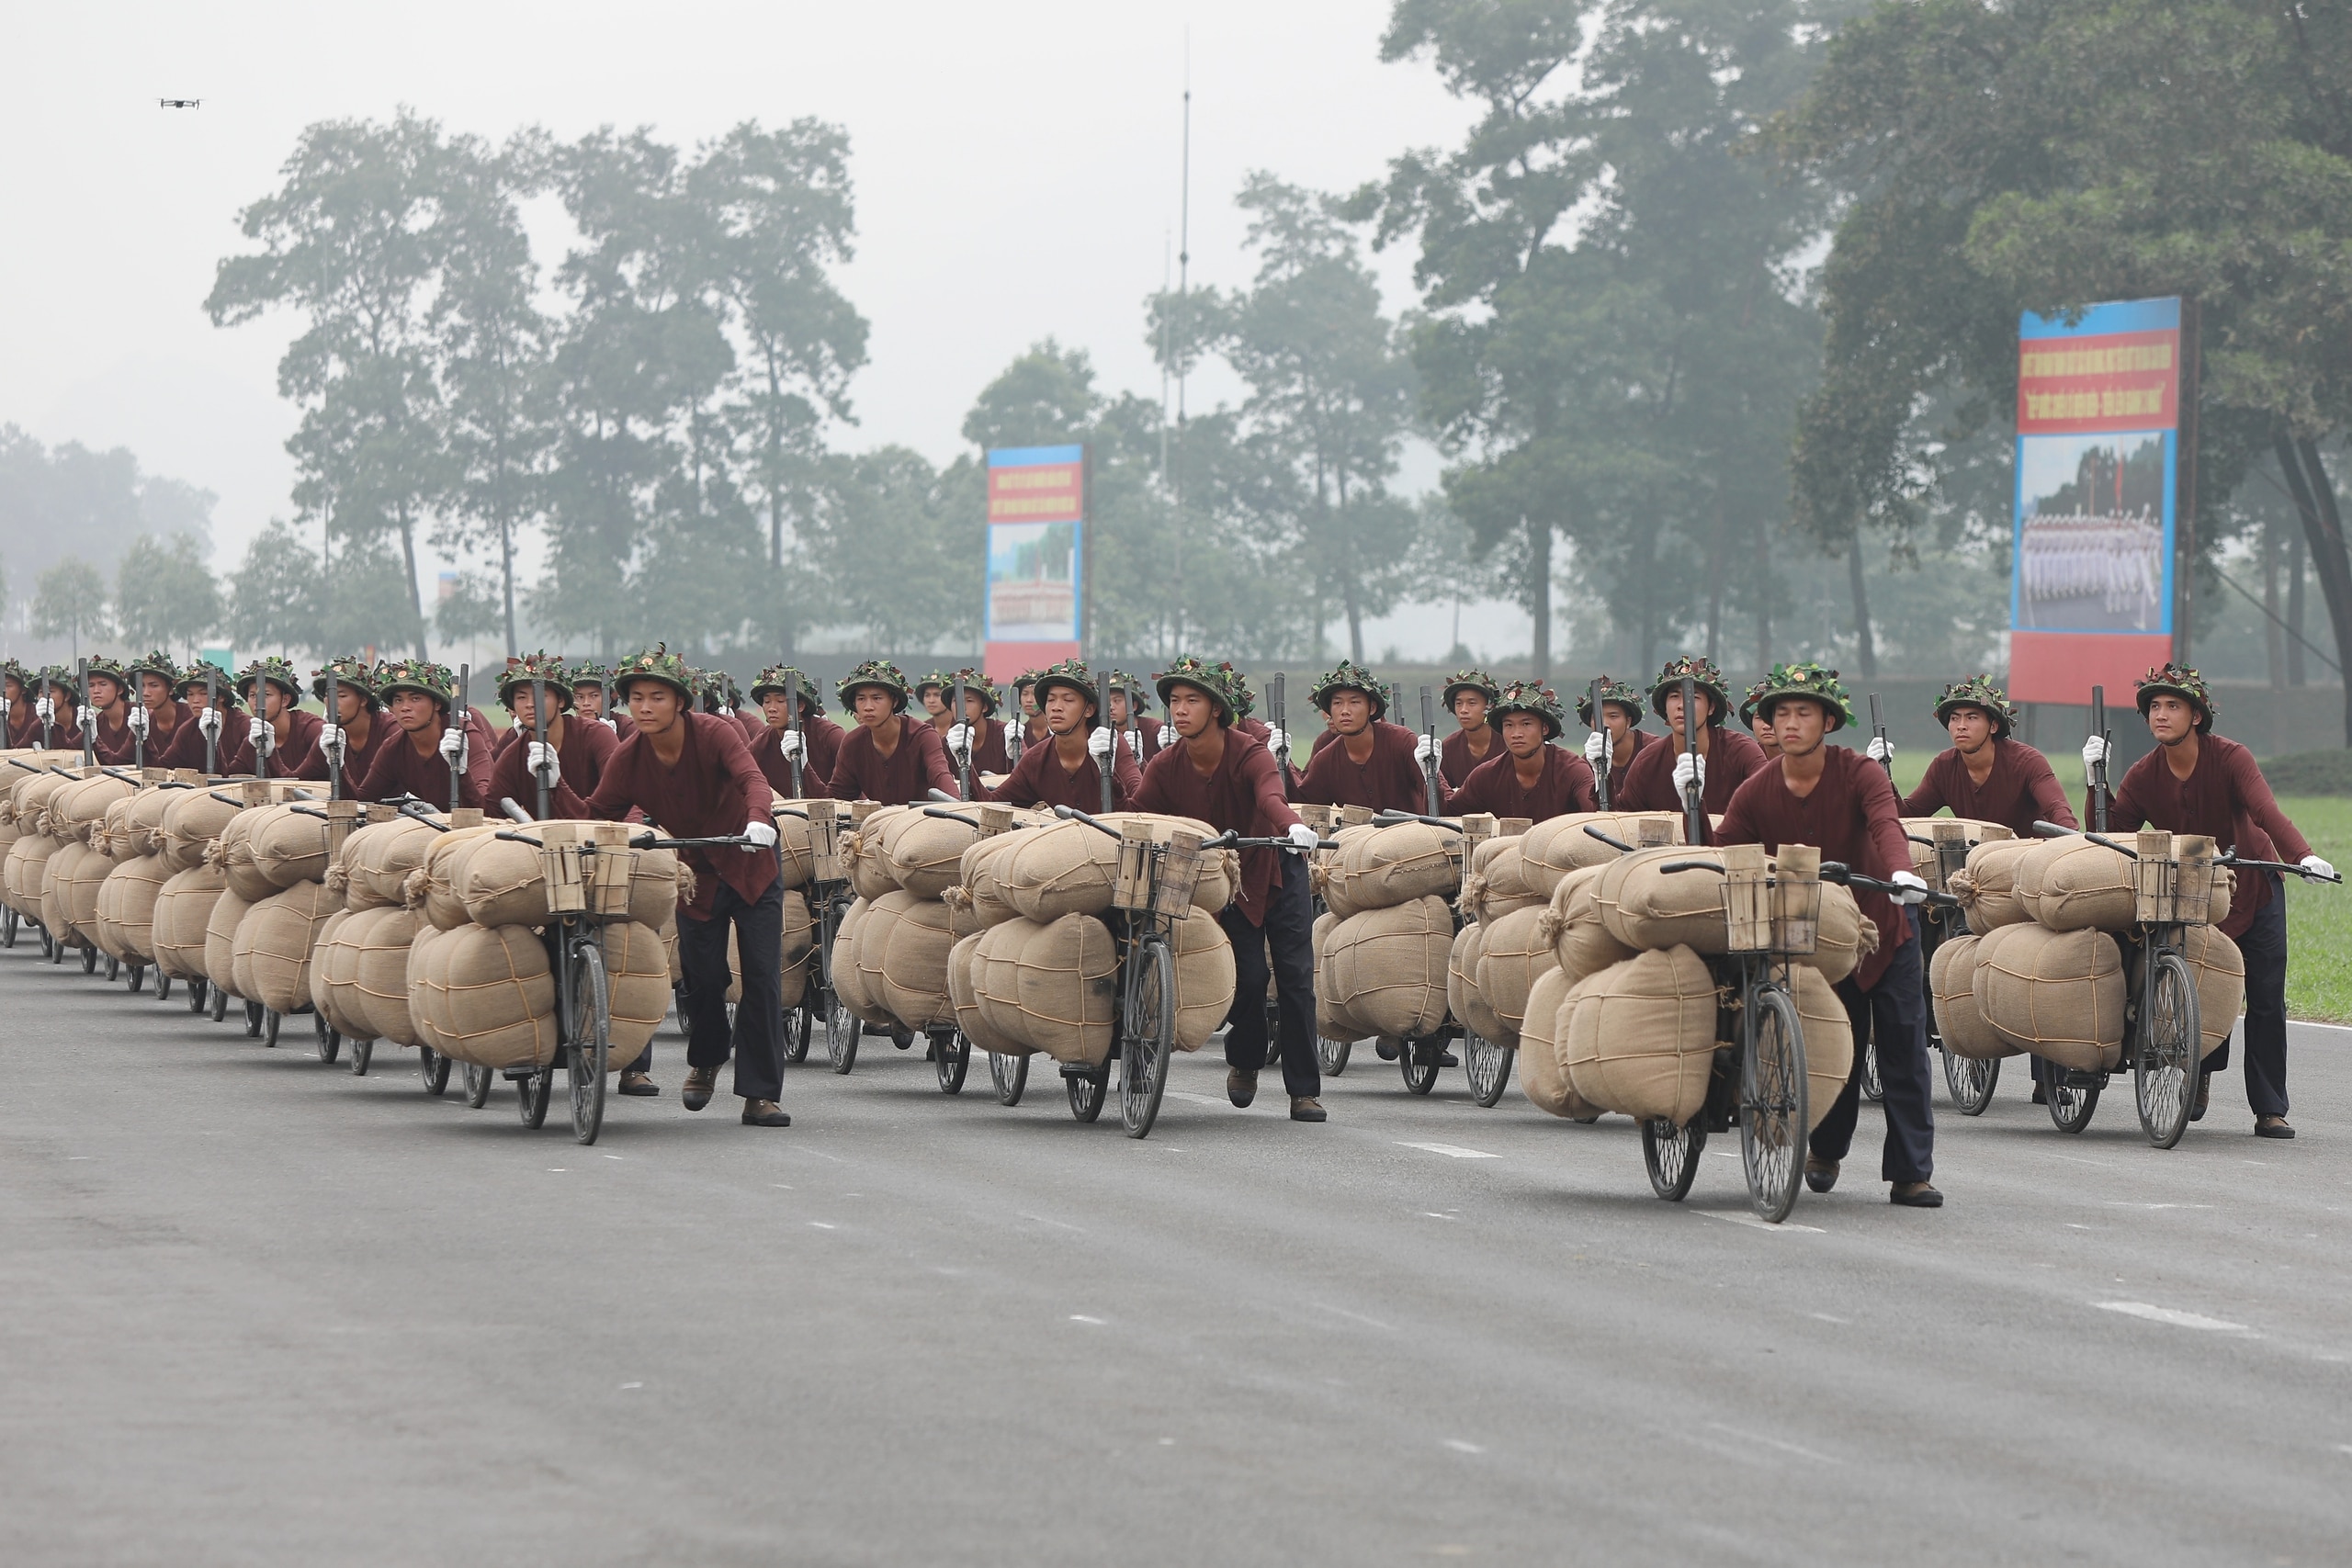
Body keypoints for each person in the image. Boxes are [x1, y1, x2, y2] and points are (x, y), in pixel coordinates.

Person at [1715, 661, 1942, 1209]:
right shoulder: (1757, 790)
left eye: (1805, 713)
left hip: (1883, 926)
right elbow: (1723, 849)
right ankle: (1826, 1148)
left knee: (1903, 1050)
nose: (1791, 724)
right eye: (1782, 714)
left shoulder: (1861, 773)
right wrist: (1691, 804)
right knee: (1832, 1047)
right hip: (1812, 940)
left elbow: (1886, 823)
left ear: (1828, 722)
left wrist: (1900, 872)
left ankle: (1910, 1173)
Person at [2085, 663, 2333, 1138]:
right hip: (2198, 896)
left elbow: (2265, 811)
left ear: (2197, 716)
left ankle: (2270, 1108)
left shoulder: (2232, 757)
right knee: (2203, 989)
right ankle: (2198, 1076)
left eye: (2172, 706)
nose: (2160, 715)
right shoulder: (2142, 774)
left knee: (2265, 999)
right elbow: (2108, 834)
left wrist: (2304, 855)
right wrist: (2095, 777)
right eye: (2153, 707)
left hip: (2255, 890)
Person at [583, 645, 789, 1124]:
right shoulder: (630, 757)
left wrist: (761, 819)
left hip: (751, 860)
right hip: (696, 873)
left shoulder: (715, 733)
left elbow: (752, 780)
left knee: (760, 978)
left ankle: (760, 1094)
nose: (646, 707)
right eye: (636, 698)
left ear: (680, 701)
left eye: (658, 696)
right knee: (702, 979)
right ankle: (706, 1059)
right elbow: (595, 815)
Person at [1132, 657, 1325, 1122]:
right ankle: (1245, 1060)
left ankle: (1304, 1091)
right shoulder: (1165, 765)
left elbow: (1269, 794)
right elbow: (1137, 814)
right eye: (1174, 701)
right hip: (1225, 879)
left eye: (1191, 701)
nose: (1179, 710)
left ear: (1216, 709)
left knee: (1296, 979)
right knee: (1251, 978)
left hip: (1277, 866)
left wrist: (1293, 826)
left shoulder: (1249, 751)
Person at [1884, 675, 2075, 839]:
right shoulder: (1944, 767)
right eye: (1954, 718)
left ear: (1993, 726)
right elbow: (1907, 816)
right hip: (1974, 864)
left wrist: (2070, 844)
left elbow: (2059, 812)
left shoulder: (2027, 762)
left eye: (1972, 717)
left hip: (2028, 861)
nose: (1961, 725)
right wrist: (1883, 776)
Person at [1611, 657, 1768, 835]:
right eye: (1674, 697)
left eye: (1693, 697)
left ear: (1711, 708)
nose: (1681, 706)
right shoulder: (1647, 762)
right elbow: (1621, 821)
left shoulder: (1741, 752)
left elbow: (1768, 802)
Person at [982, 657, 1142, 811]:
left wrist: (1112, 773)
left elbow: (1139, 806)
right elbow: (993, 803)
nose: (1056, 707)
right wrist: (965, 761)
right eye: (1051, 700)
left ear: (1089, 709)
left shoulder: (1111, 745)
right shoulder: (1036, 760)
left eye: (1068, 700)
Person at [803, 660, 958, 803]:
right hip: (877, 826)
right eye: (861, 699)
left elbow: (940, 775)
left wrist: (957, 808)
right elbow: (836, 799)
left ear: (894, 701)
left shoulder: (922, 735)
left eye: (877, 698)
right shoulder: (852, 743)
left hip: (921, 823)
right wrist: (803, 765)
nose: (868, 706)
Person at [486, 652, 619, 818]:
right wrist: (462, 774)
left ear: (561, 701)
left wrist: (557, 785)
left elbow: (619, 801)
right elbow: (489, 814)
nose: (529, 704)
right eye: (521, 697)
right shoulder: (513, 757)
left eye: (540, 696)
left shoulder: (597, 736)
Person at [1440, 682, 1597, 821]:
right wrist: (1431, 773)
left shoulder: (1573, 770)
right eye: (1508, 725)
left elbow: (1597, 815)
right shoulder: (1487, 774)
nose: (1516, 734)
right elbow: (1450, 812)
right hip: (1508, 852)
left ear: (1544, 728)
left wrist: (1601, 776)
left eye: (1526, 724)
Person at [354, 658, 497, 808]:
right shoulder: (394, 748)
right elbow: (362, 799)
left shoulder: (465, 736)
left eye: (415, 698)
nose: (405, 707)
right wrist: (337, 761)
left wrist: (461, 773)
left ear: (437, 704)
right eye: (398, 700)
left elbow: (485, 809)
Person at [1295, 660, 1427, 814]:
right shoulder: (1325, 760)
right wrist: (1282, 762)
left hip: (1410, 834)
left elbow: (1440, 801)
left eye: (1354, 702)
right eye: (1337, 703)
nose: (1345, 711)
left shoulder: (1402, 742)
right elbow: (1303, 806)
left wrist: (1430, 769)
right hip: (1356, 837)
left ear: (1372, 708)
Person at [220, 657, 325, 778]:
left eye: (266, 695)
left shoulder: (311, 729)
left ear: (285, 700)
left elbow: (297, 783)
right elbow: (229, 779)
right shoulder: (254, 738)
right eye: (253, 695)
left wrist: (271, 755)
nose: (258, 702)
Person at [299, 657, 393, 788]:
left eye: (342, 696)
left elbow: (366, 795)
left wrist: (340, 767)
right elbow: (298, 781)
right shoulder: (331, 736)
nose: (332, 703)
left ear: (363, 700)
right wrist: (270, 753)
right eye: (328, 696)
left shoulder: (390, 731)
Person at [741, 665, 831, 799]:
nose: (772, 708)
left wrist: (804, 765)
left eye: (780, 701)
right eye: (767, 701)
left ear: (800, 706)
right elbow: (739, 771)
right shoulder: (763, 742)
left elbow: (841, 795)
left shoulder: (828, 735)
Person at [1577, 677, 1651, 803]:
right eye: (1597, 718)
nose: (1605, 724)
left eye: (1613, 716)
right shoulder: (1587, 763)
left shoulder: (1652, 751)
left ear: (1628, 722)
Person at [156, 661, 238, 772]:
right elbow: (163, 768)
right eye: (190, 694)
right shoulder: (187, 730)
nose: (195, 701)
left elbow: (235, 775)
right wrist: (143, 739)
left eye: (203, 693)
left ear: (221, 697)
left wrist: (215, 745)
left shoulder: (243, 727)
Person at [937, 666, 1012, 784]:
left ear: (985, 707)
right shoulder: (947, 742)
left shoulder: (1005, 734)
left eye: (969, 701)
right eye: (956, 701)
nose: (962, 707)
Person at [121, 650, 188, 766]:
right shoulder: (142, 721)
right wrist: (94, 739)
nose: (146, 693)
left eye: (154, 685)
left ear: (171, 689)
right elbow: (118, 761)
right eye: (141, 686)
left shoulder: (190, 718)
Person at [1438, 669, 1503, 788]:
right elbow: (1444, 796)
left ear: (1489, 706)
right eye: (1459, 704)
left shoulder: (1509, 743)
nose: (1463, 710)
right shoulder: (1448, 749)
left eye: (1472, 703)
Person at [81, 658, 141, 765]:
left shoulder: (139, 717)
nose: (96, 691)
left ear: (119, 689)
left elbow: (118, 763)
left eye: (103, 684)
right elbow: (67, 749)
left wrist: (95, 741)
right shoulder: (97, 722)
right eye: (91, 685)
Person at [1105, 672, 1166, 761]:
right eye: (1107, 702)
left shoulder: (1156, 731)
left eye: (1117, 701)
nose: (1111, 707)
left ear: (1134, 706)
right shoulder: (1101, 735)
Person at [569, 662, 635, 742]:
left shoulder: (626, 726)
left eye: (594, 696)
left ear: (608, 700)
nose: (586, 703)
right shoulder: (567, 728)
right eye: (579, 697)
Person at [33, 668, 85, 751]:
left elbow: (69, 752)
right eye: (40, 691)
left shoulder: (85, 720)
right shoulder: (38, 726)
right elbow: (16, 754)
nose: (44, 696)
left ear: (67, 696)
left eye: (50, 691)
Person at [1740, 679, 1781, 759]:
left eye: (1773, 717)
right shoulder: (1743, 760)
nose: (1766, 726)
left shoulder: (1810, 761)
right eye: (1759, 717)